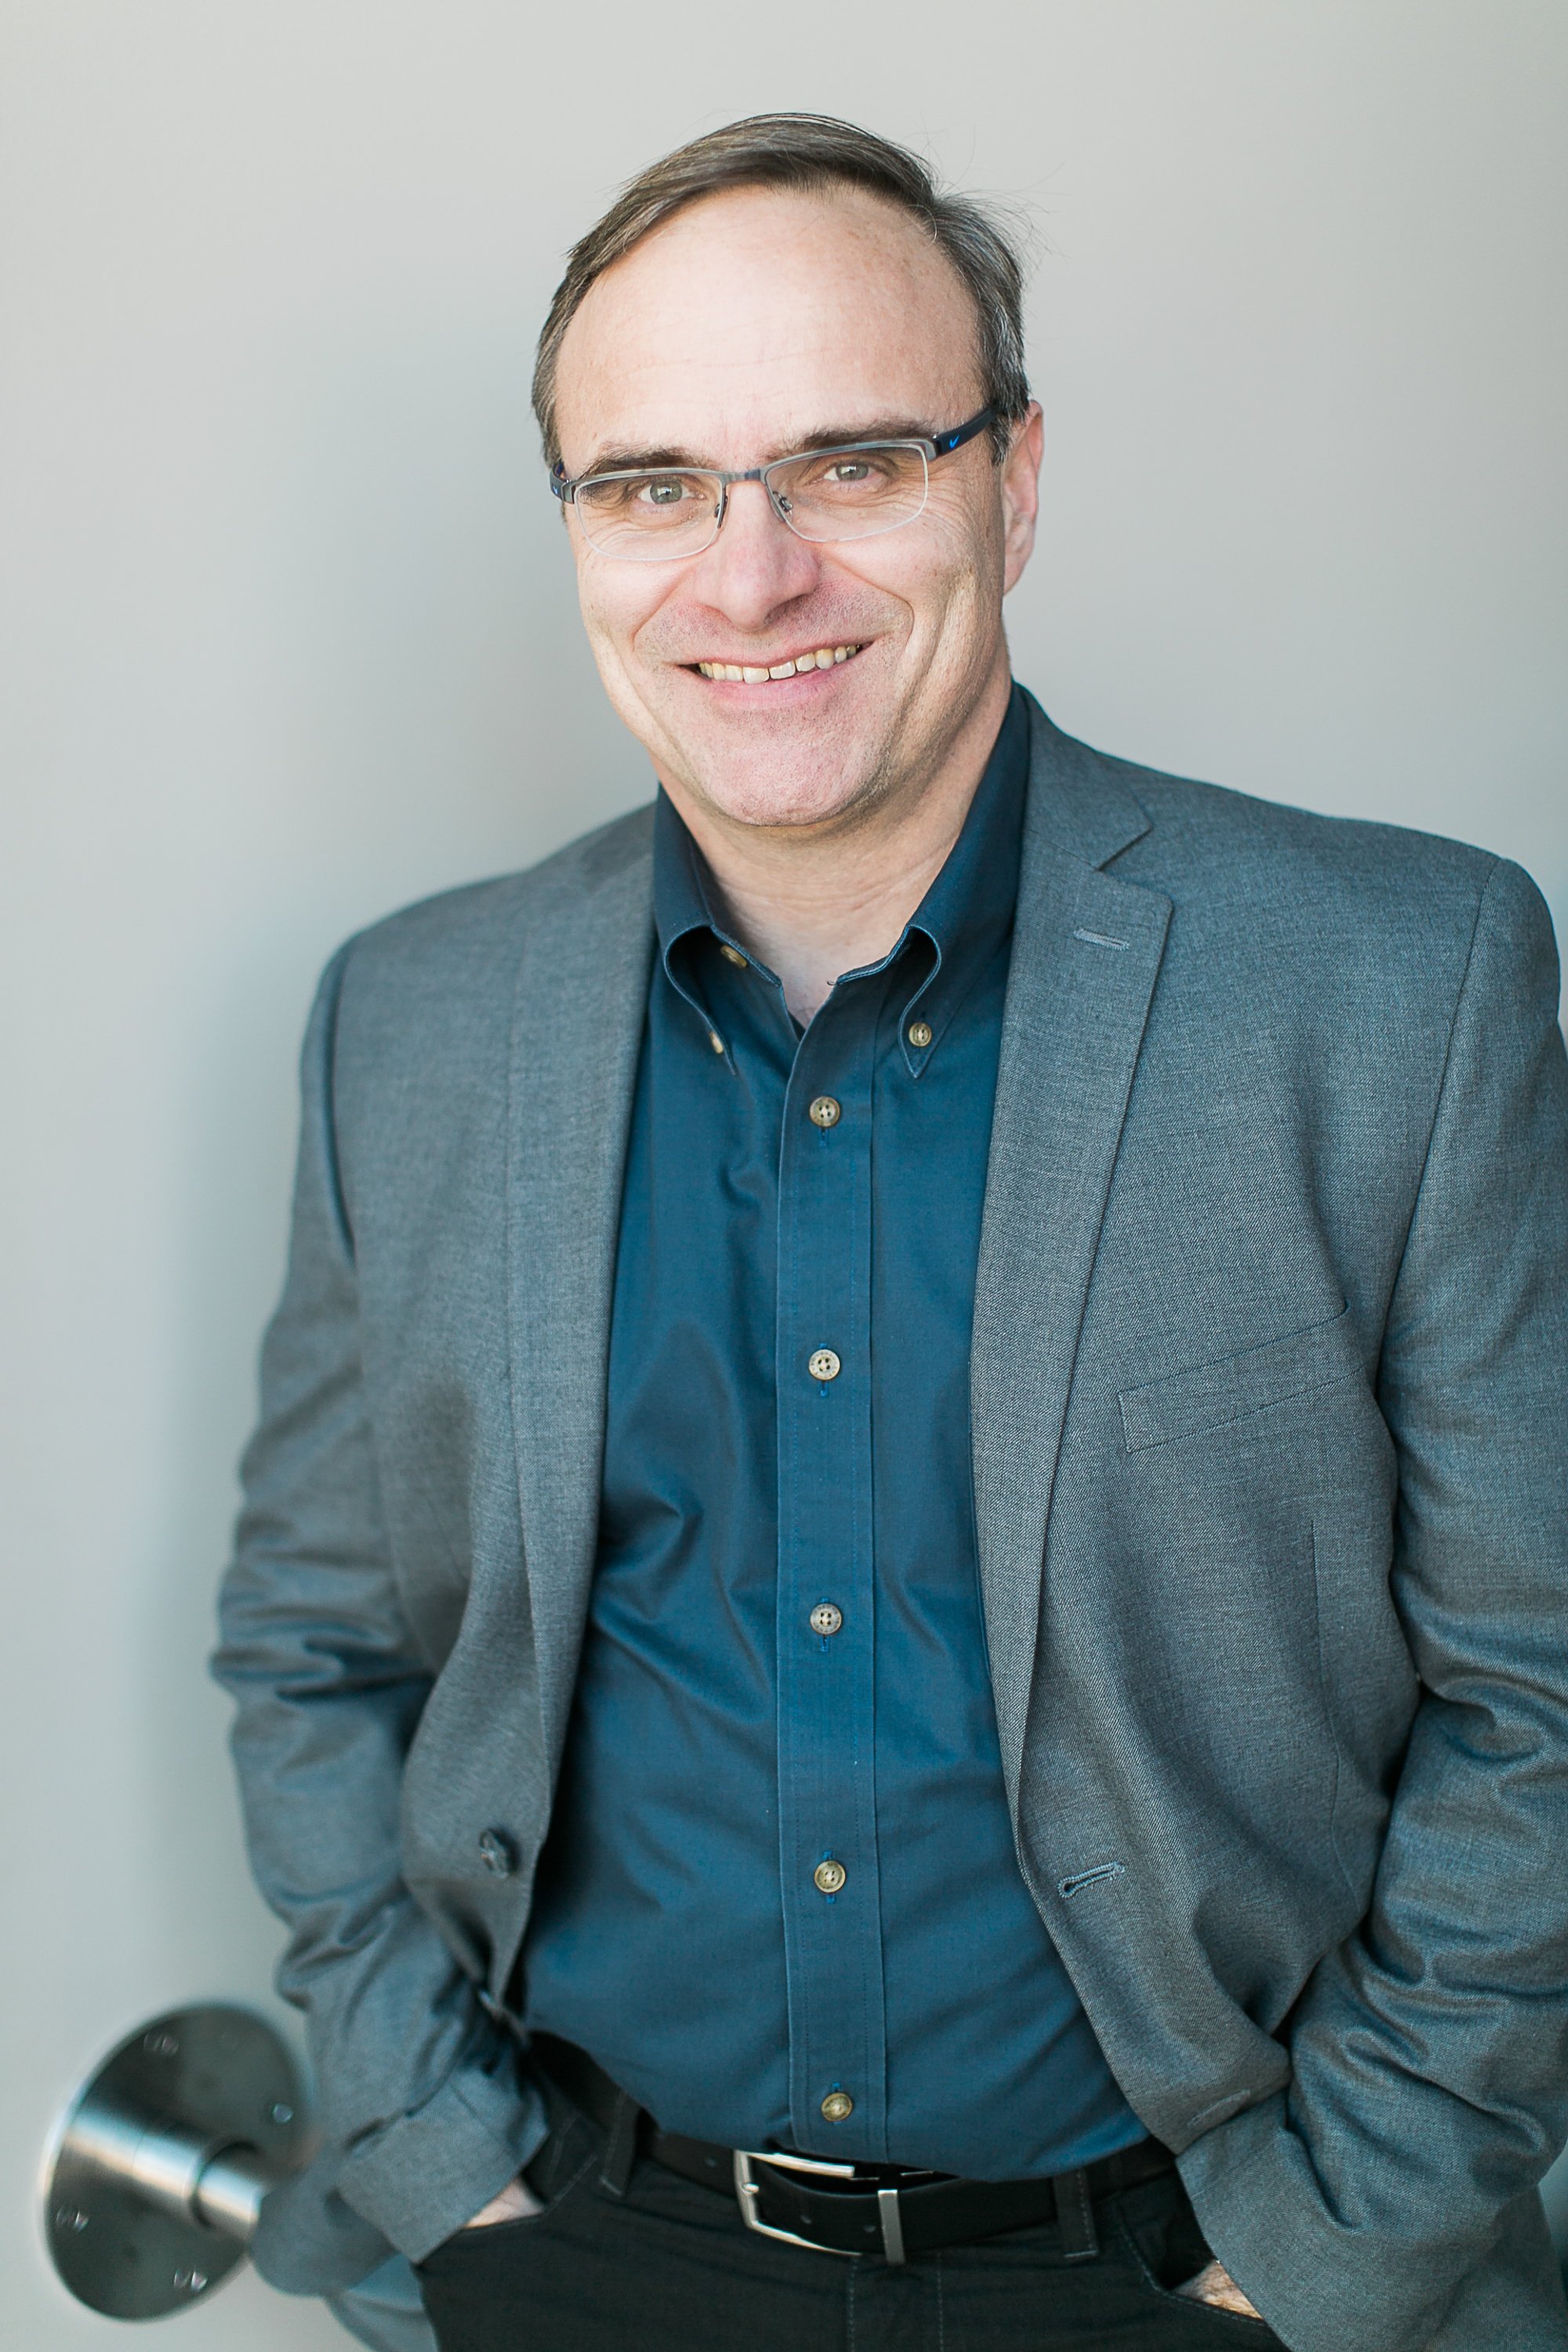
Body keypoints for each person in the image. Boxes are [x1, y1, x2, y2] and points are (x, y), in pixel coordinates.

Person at [215, 114, 1568, 2352]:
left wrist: (1330, 2249)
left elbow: (1541, 1687)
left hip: (1195, 2273)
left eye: (850, 462)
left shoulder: (1398, 988)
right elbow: (314, 1650)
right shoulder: (412, 1019)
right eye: (650, 484)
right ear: (578, 531)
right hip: (586, 2263)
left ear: (1012, 484)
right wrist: (446, 2177)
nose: (748, 579)